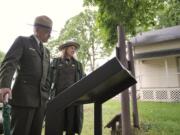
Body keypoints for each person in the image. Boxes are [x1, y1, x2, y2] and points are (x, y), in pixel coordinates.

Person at [0, 15, 53, 135]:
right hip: (23, 100)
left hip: (41, 102)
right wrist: (4, 85)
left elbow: (48, 75)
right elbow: (9, 62)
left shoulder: (47, 52)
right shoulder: (23, 41)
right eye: (47, 31)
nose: (49, 35)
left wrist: (46, 94)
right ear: (36, 29)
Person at [50, 41, 85, 135]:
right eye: (71, 48)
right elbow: (49, 78)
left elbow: (83, 80)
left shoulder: (78, 64)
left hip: (72, 99)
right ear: (65, 49)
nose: (73, 50)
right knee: (57, 124)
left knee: (71, 125)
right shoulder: (55, 62)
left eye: (74, 48)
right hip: (58, 97)